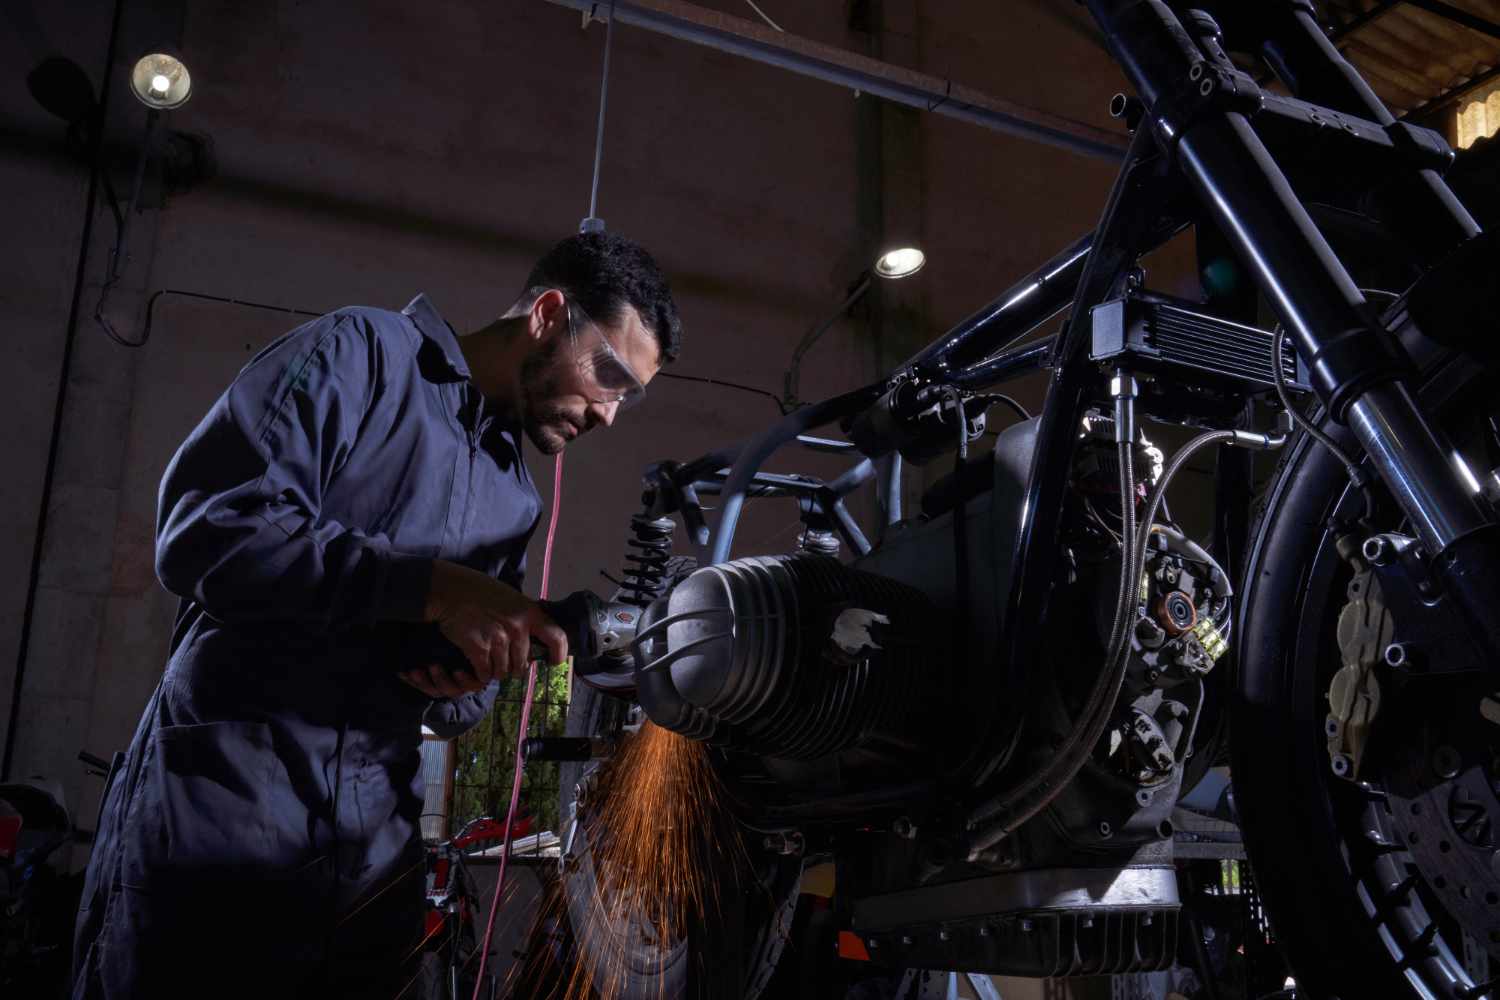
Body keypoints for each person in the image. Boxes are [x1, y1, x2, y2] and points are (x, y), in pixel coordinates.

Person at [70, 232, 682, 998]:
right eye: (610, 375)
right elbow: (206, 529)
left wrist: (467, 675)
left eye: (629, 396)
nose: (610, 414)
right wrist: (434, 588)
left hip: (368, 858)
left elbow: (459, 708)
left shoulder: (511, 495)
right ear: (548, 315)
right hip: (219, 824)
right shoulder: (363, 355)